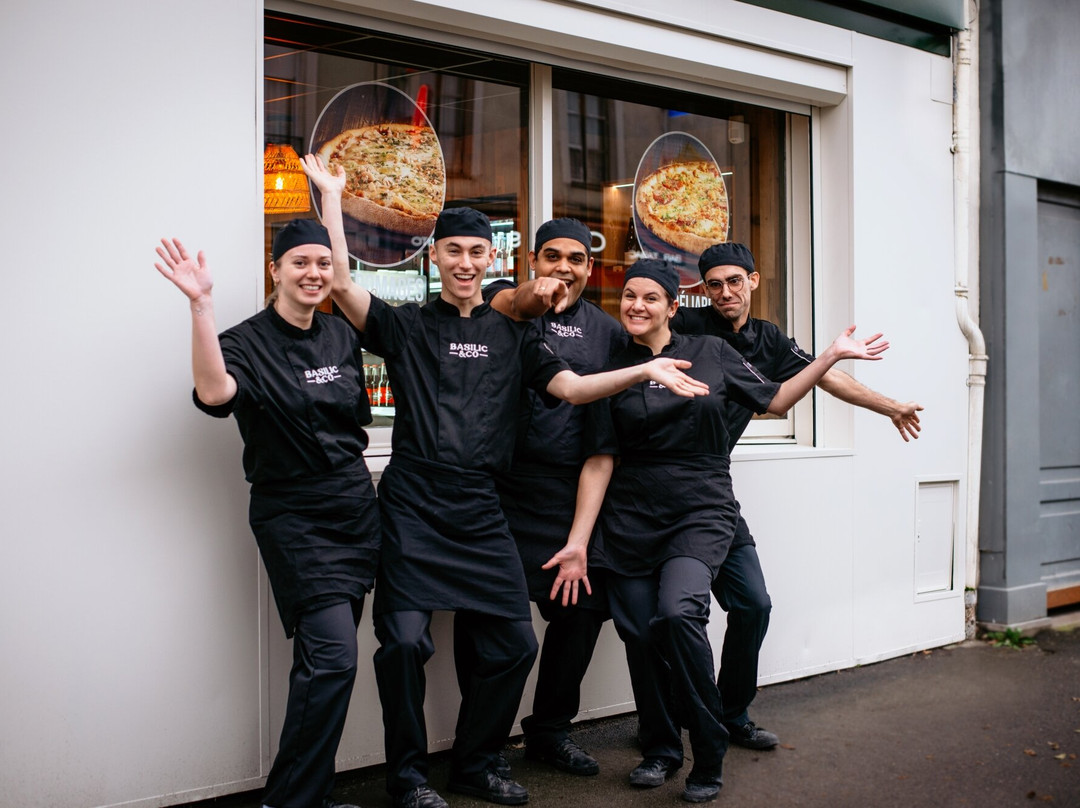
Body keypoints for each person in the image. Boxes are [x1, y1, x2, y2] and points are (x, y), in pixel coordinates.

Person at [301, 155, 708, 808]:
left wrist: (641, 371)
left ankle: (474, 762)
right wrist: (331, 199)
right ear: (436, 257)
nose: (465, 262)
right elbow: (342, 285)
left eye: (476, 252)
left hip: (482, 509)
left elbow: (572, 389)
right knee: (402, 644)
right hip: (413, 505)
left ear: (492, 258)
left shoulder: (516, 336)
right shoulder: (406, 327)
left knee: (515, 645)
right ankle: (408, 777)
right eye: (453, 251)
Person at [592, 258, 888, 803]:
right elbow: (598, 455)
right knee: (640, 635)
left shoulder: (713, 352)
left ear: (674, 307)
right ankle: (660, 748)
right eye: (629, 295)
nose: (636, 305)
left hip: (700, 506)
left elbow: (777, 399)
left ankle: (711, 746)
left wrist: (828, 356)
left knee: (681, 612)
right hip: (629, 513)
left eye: (650, 297)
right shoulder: (611, 366)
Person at [153, 216, 380, 808]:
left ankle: (306, 793)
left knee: (327, 663)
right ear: (275, 270)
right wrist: (200, 306)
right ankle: (289, 801)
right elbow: (215, 394)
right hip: (295, 515)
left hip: (354, 508)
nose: (313, 273)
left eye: (323, 263)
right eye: (300, 262)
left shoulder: (341, 335)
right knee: (333, 659)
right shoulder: (244, 341)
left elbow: (354, 419)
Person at [671, 242, 923, 750]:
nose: (725, 292)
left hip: (712, 487)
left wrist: (891, 406)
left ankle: (731, 713)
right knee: (668, 614)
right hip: (660, 484)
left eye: (734, 281)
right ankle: (664, 725)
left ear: (753, 280)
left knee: (753, 604)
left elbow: (825, 378)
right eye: (714, 284)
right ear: (703, 289)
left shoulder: (767, 340)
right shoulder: (685, 329)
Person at [476, 218, 625, 777]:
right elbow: (509, 299)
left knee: (583, 612)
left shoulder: (608, 334)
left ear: (591, 267)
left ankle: (550, 730)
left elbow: (603, 439)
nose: (564, 267)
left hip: (568, 495)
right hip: (499, 493)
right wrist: (531, 294)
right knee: (490, 623)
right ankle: (483, 744)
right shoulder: (503, 306)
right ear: (532, 261)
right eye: (552, 256)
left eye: (576, 259)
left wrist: (580, 537)